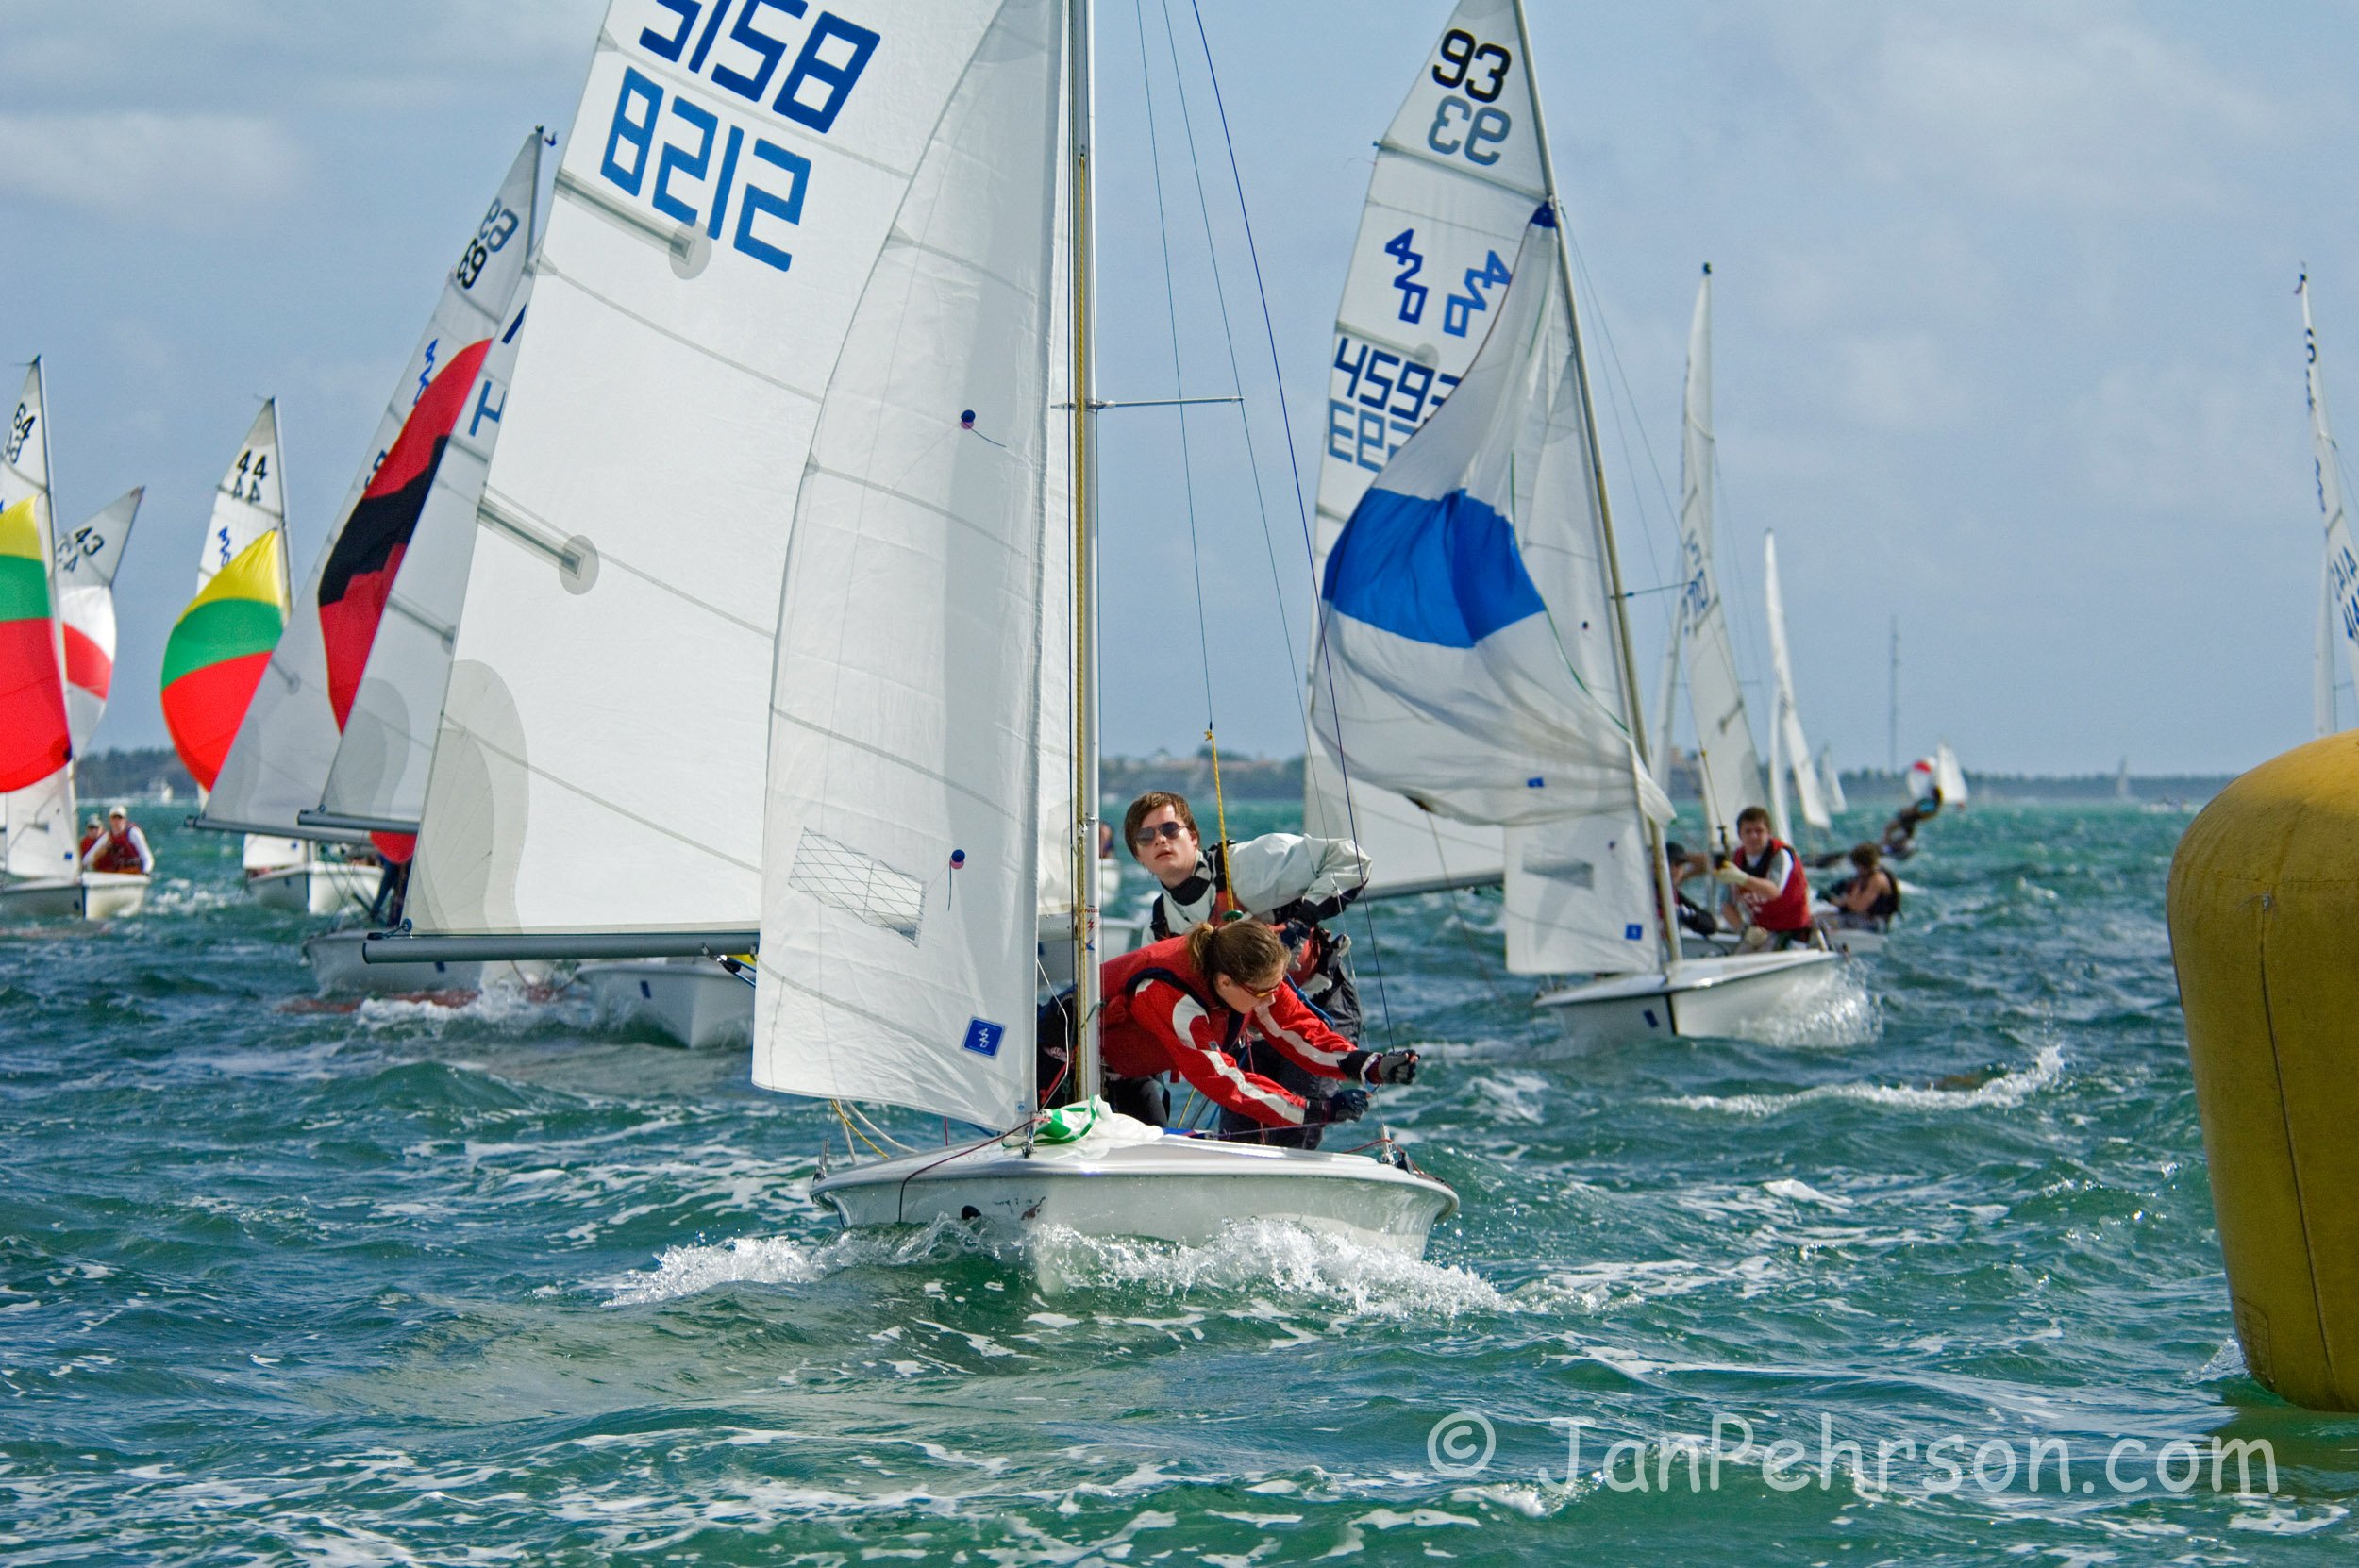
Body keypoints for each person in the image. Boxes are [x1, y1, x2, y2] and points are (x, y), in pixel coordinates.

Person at [1095, 920, 1419, 1138]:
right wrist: (1317, 1110)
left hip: (1129, 1075)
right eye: (1267, 992)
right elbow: (1224, 1079)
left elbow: (1298, 1029)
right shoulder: (1168, 996)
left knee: (1154, 1160)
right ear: (1225, 983)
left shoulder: (1252, 975)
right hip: (1069, 1060)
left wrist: (1370, 1065)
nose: (1274, 997)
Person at [1713, 805, 1812, 950]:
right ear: (1740, 835)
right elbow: (1726, 905)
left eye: (1759, 831)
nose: (1754, 836)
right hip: (1760, 930)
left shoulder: (1780, 855)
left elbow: (1773, 891)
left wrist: (1742, 878)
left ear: (1768, 833)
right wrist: (1744, 930)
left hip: (1793, 930)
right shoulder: (1736, 859)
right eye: (1748, 831)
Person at [1818, 842, 1900, 935]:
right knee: (1816, 917)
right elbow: (1853, 901)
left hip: (1875, 922)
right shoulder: (1864, 877)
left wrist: (1842, 901)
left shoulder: (1877, 879)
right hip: (1859, 917)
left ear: (1862, 865)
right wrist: (1834, 900)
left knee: (1823, 923)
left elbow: (1859, 907)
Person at [83, 807, 154, 876]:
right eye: (114, 818)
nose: (117, 821)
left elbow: (147, 857)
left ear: (125, 820)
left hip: (135, 873)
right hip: (118, 874)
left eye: (120, 818)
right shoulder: (107, 837)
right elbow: (88, 858)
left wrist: (146, 871)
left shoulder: (133, 833)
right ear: (110, 820)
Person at [1878, 792, 1941, 860]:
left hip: (1909, 818)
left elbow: (1919, 811)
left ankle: (1884, 848)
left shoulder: (1931, 804)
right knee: (1904, 835)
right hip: (1911, 819)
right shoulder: (1935, 806)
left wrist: (1907, 811)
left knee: (1889, 829)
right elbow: (1923, 813)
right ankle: (1892, 848)